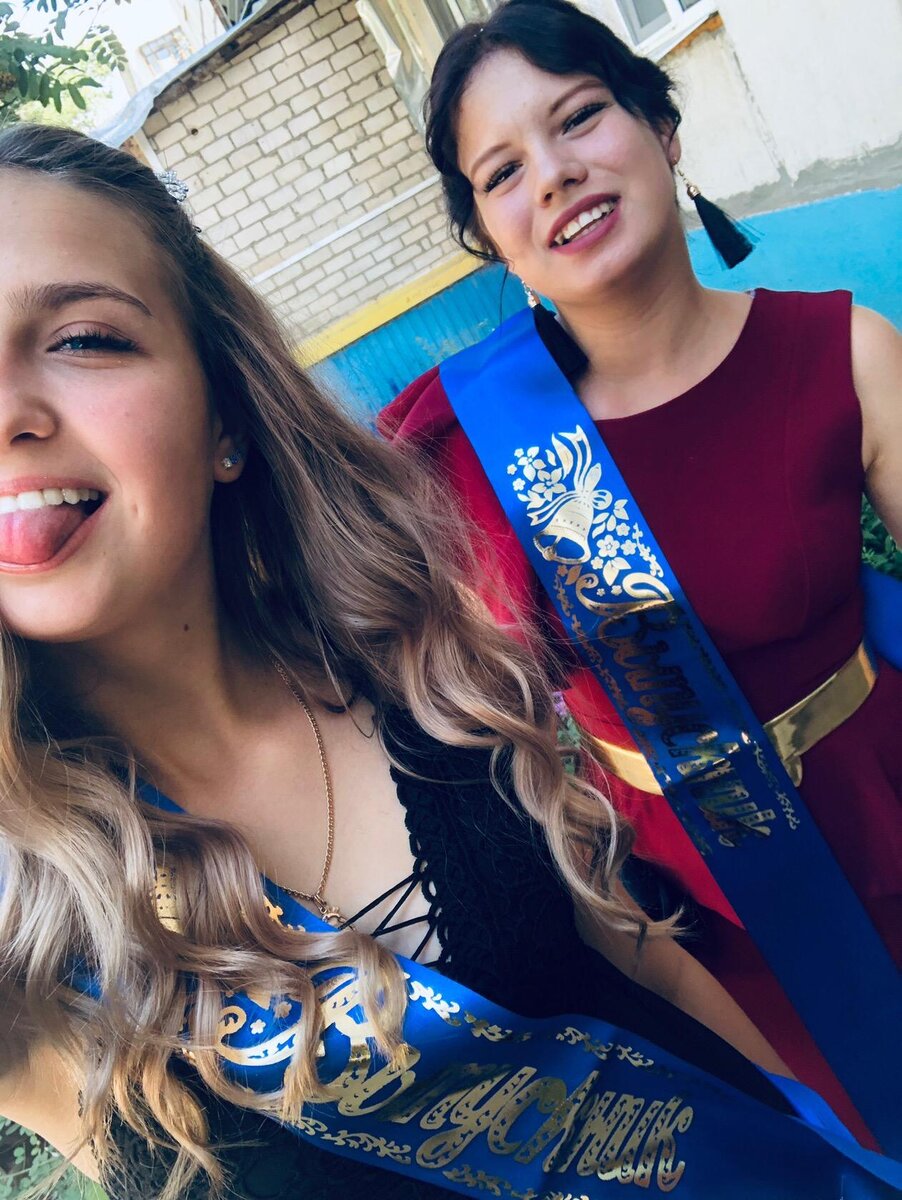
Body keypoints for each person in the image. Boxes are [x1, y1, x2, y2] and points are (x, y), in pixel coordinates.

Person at [0, 122, 856, 1200]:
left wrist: (839, 1162)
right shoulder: (21, 923)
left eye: (83, 339)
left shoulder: (416, 670)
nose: (9, 413)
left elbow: (650, 971)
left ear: (226, 415)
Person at [379, 0, 902, 1146]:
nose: (553, 175)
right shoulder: (467, 454)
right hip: (691, 910)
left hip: (885, 799)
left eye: (577, 118)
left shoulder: (844, 351)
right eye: (501, 172)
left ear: (659, 127)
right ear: (487, 234)